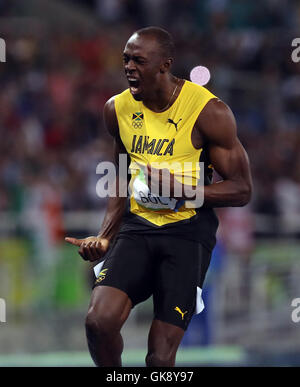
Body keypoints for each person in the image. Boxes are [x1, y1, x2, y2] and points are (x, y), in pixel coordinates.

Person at [65, 26, 252, 367]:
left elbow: (241, 189)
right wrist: (105, 237)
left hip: (187, 233)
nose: (129, 68)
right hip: (137, 228)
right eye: (125, 60)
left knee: (159, 358)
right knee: (98, 321)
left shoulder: (208, 111)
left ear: (165, 65)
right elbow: (120, 176)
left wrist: (183, 192)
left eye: (138, 60)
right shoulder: (117, 109)